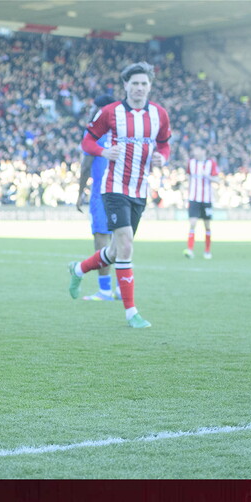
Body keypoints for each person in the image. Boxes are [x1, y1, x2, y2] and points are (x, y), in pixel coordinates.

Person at [67, 62, 171, 328]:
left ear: (150, 86)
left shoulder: (159, 115)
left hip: (140, 189)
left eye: (143, 83)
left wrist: (162, 158)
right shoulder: (110, 113)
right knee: (125, 245)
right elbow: (87, 141)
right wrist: (103, 151)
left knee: (115, 250)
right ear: (125, 85)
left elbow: (164, 144)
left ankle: (79, 269)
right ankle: (131, 313)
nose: (138, 88)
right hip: (113, 188)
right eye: (134, 83)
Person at [75, 94, 121, 301]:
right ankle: (121, 287)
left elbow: (85, 166)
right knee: (121, 240)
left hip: (102, 193)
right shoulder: (124, 131)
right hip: (123, 192)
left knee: (102, 240)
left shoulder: (95, 131)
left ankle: (105, 290)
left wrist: (80, 193)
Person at [183, 145, 220, 259]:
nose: (195, 151)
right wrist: (187, 194)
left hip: (207, 199)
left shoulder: (211, 163)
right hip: (194, 198)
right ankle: (189, 250)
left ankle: (207, 250)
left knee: (207, 226)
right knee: (192, 223)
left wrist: (207, 176)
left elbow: (217, 179)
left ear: (203, 150)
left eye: (197, 149)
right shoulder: (191, 163)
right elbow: (188, 177)